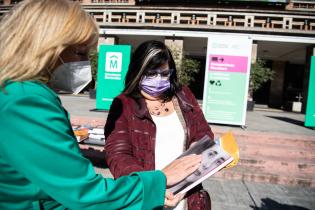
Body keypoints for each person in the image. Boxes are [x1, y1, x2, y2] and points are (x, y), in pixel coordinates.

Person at [0, 1, 202, 209]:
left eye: (164, 73)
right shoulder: (26, 101)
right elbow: (85, 193)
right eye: (80, 52)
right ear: (45, 48)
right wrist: (158, 180)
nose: (86, 62)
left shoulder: (17, 93)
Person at [105, 40, 214, 210]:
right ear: (137, 72)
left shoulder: (183, 95)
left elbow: (203, 133)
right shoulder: (123, 104)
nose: (159, 79)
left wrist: (197, 149)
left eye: (164, 74)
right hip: (148, 197)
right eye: (151, 73)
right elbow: (118, 156)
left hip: (187, 197)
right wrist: (154, 185)